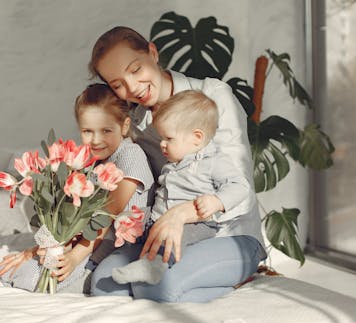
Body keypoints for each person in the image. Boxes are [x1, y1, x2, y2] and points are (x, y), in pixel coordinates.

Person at [89, 26, 267, 303]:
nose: (132, 87)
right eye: (117, 84)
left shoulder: (213, 95)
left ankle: (234, 284)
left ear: (152, 52)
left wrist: (182, 214)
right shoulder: (135, 124)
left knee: (156, 287)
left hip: (228, 234)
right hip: (165, 232)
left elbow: (240, 190)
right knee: (102, 284)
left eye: (136, 69)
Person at [0, 83, 154, 293]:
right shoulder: (93, 163)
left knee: (28, 278)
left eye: (106, 130)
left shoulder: (130, 154)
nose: (96, 140)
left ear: (124, 126)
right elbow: (79, 221)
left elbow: (107, 214)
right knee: (11, 272)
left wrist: (74, 257)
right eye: (87, 131)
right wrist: (37, 251)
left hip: (121, 248)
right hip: (90, 244)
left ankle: (93, 279)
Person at [112, 90, 254, 286]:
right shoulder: (172, 165)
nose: (162, 144)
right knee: (132, 216)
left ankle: (154, 266)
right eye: (162, 138)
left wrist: (217, 201)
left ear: (196, 137)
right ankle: (132, 244)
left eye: (168, 139)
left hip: (195, 224)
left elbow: (240, 186)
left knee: (173, 237)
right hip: (158, 218)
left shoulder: (213, 161)